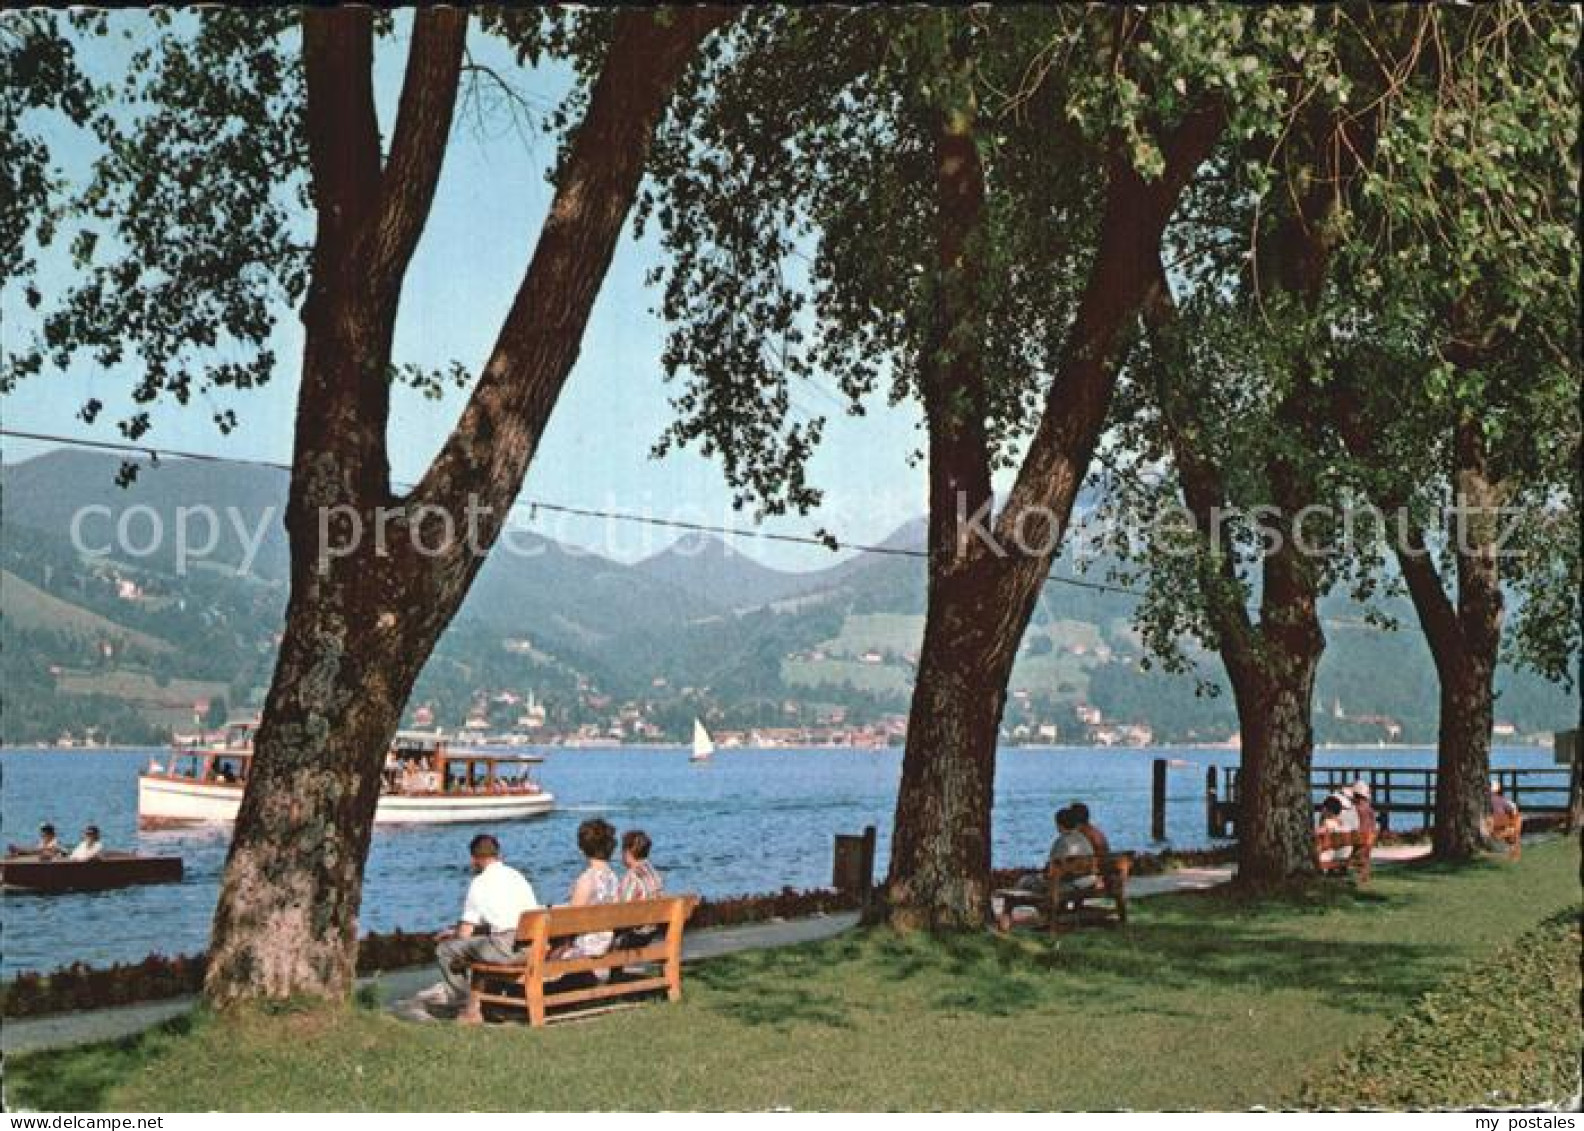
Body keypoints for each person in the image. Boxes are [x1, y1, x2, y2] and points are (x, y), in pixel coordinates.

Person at [428, 833, 539, 1024]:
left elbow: (465, 934)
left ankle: (466, 1006)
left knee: (445, 950)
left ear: (474, 859)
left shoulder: (479, 883)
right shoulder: (517, 876)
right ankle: (486, 1003)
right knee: (480, 946)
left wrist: (451, 935)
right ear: (498, 854)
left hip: (506, 950)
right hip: (531, 948)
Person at [995, 808, 1095, 931]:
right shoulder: (1084, 839)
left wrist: (1041, 877)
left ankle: (1009, 924)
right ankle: (1045, 915)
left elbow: (1051, 871)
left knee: (1024, 882)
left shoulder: (1061, 842)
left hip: (1065, 885)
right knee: (1035, 881)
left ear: (1059, 825)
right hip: (1086, 882)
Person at [550, 819, 621, 964]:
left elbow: (571, 922)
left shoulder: (587, 879)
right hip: (606, 943)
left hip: (586, 948)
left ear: (582, 848)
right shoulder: (613, 877)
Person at [614, 829, 665, 951]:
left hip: (635, 935)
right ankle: (617, 970)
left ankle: (616, 970)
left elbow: (622, 910)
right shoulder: (653, 871)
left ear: (627, 852)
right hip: (652, 931)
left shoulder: (632, 876)